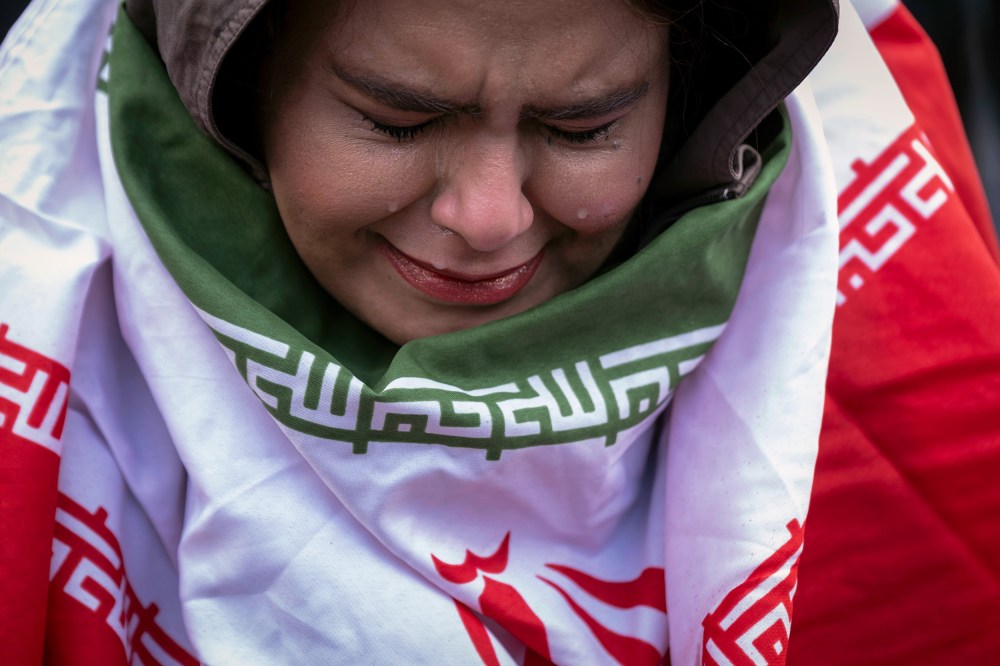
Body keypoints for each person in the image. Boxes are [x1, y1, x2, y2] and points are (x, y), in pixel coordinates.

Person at [0, 0, 997, 664]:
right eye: (397, 121)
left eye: (581, 128)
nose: (488, 218)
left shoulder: (859, 269)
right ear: (233, 75)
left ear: (695, 89)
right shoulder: (50, 296)